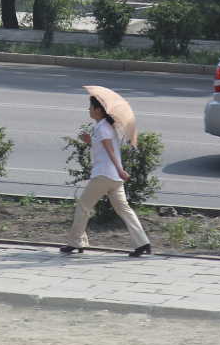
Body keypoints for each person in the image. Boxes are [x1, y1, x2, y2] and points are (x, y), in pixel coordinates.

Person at [61, 95, 152, 257]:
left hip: (104, 175)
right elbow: (104, 148)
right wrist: (90, 142)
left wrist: (120, 170)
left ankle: (76, 242)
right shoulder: (107, 127)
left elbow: (110, 152)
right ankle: (142, 243)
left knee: (83, 205)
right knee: (124, 209)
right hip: (114, 178)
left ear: (98, 110)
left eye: (90, 107)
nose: (88, 109)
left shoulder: (102, 128)